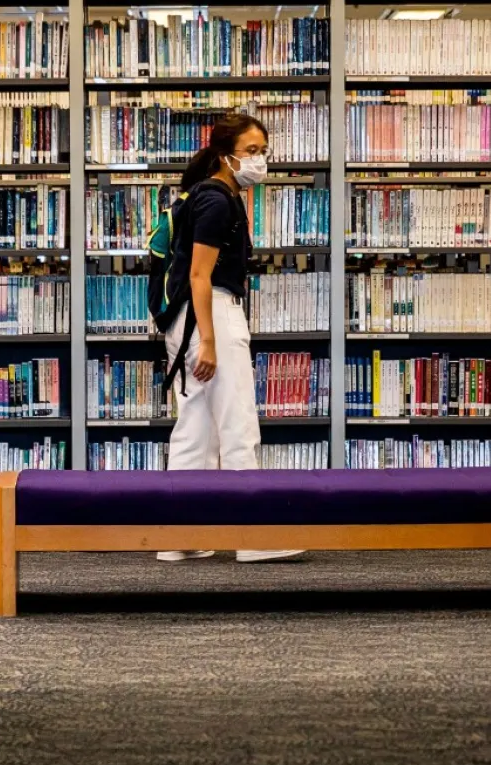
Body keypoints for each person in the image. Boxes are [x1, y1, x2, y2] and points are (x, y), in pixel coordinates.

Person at [155, 112, 303, 565]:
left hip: (189, 321)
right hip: (211, 315)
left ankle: (180, 536)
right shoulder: (219, 201)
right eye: (251, 152)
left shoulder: (204, 195)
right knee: (238, 424)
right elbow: (201, 275)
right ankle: (253, 535)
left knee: (194, 428)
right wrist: (211, 343)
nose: (260, 161)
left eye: (264, 152)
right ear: (226, 156)